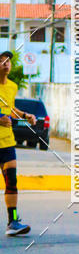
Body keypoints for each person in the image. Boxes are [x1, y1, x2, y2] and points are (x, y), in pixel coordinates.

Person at [0, 51, 36, 236]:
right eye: (1, 61)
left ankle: (12, 221)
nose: (6, 64)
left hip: (6, 143)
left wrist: (25, 116)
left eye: (8, 61)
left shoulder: (12, 87)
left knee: (11, 181)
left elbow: (10, 108)